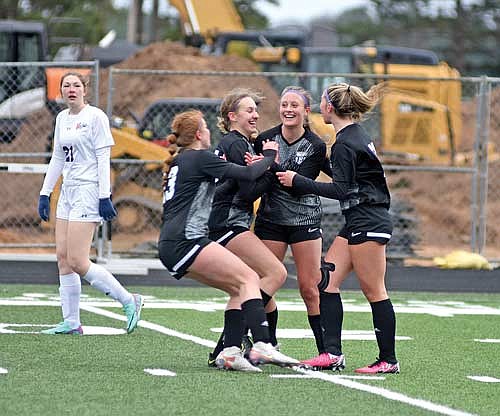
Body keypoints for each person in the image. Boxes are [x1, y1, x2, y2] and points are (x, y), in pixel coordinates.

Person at [158, 110, 299, 372]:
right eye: (206, 128)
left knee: (239, 288)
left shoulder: (183, 160)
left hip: (173, 243)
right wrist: (269, 156)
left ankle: (231, 351)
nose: (211, 132)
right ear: (199, 134)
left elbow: (225, 185)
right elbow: (246, 176)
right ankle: (262, 343)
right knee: (250, 278)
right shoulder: (200, 157)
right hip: (185, 241)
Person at [277, 82, 400, 374]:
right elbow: (347, 179)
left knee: (374, 290)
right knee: (326, 283)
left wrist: (299, 181)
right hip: (358, 220)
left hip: (368, 220)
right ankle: (332, 354)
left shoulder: (346, 141)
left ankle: (388, 360)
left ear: (331, 107)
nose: (320, 107)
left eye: (321, 102)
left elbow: (342, 190)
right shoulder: (349, 136)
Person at [37, 72, 143, 335]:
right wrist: (45, 192)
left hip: (88, 191)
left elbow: (103, 158)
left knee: (78, 260)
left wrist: (104, 195)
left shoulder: (95, 117)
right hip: (68, 192)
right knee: (62, 258)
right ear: (60, 91)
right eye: (66, 86)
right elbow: (58, 159)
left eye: (76, 85)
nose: (71, 89)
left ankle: (129, 300)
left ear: (85, 90)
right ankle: (71, 322)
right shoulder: (62, 118)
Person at [206, 88, 288, 366]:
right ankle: (246, 341)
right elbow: (248, 193)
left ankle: (226, 349)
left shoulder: (238, 143)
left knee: (241, 287)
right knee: (275, 273)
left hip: (225, 222)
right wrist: (271, 165)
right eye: (249, 110)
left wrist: (265, 166)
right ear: (232, 116)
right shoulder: (236, 144)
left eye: (256, 110)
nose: (255, 115)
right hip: (229, 223)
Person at [252, 86, 327, 357]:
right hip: (271, 220)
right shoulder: (265, 138)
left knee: (309, 287)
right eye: (285, 104)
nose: (288, 109)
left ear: (306, 111)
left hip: (304, 220)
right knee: (266, 282)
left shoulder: (315, 145)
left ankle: (326, 350)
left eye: (295, 105)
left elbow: (296, 184)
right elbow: (258, 176)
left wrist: (270, 163)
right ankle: (267, 344)